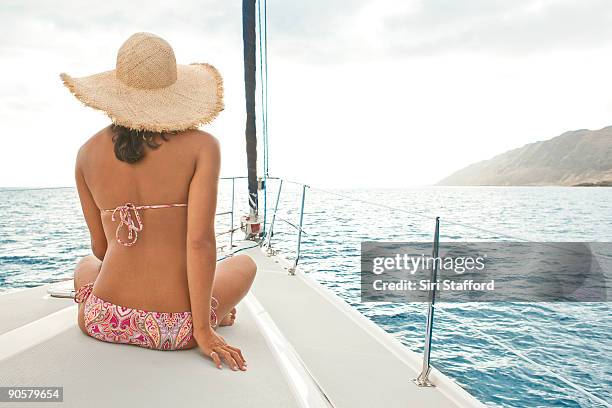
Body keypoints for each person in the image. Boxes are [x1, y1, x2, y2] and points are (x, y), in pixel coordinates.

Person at [63, 32, 256, 371]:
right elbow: (199, 243)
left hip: (101, 318)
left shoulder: (85, 154)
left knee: (85, 265)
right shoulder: (202, 146)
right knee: (246, 266)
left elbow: (101, 249)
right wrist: (203, 330)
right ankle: (214, 312)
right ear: (174, 93)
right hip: (175, 328)